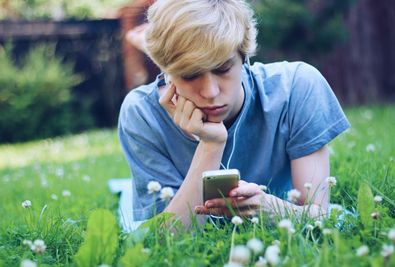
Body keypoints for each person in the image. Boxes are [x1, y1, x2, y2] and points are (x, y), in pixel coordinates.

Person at [118, 0, 350, 229]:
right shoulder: (142, 112)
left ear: (244, 55)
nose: (210, 92)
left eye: (223, 68)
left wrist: (271, 209)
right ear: (167, 72)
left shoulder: (296, 87)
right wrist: (211, 145)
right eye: (190, 74)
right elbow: (166, 242)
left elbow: (320, 215)